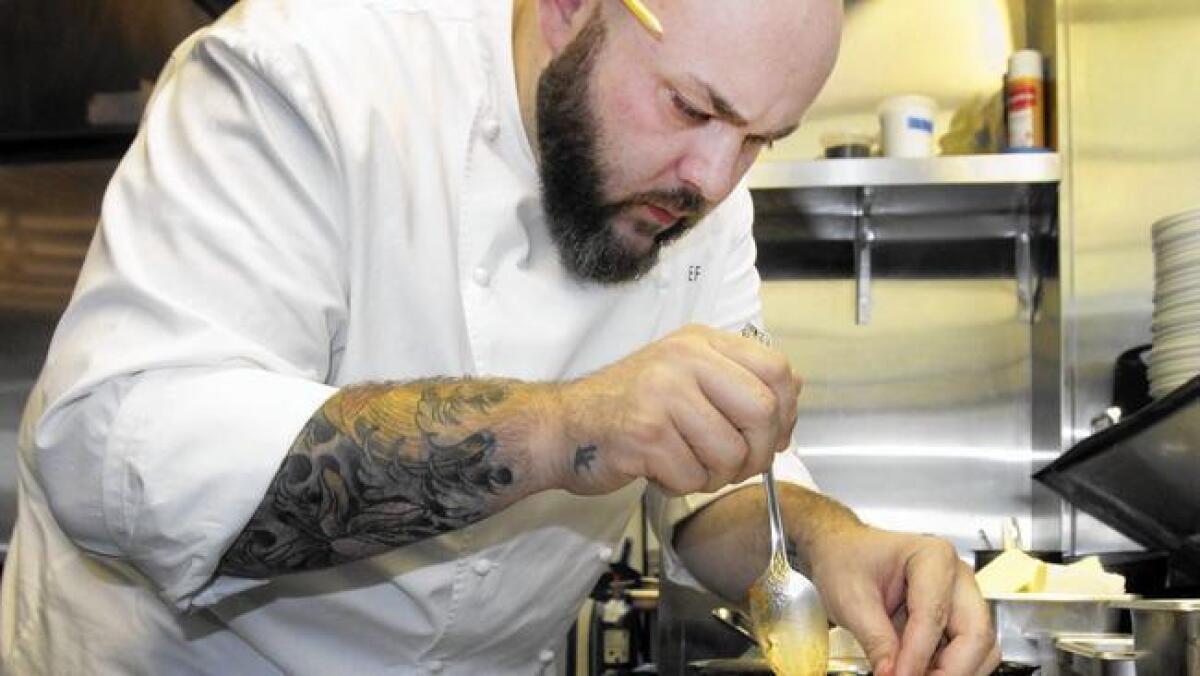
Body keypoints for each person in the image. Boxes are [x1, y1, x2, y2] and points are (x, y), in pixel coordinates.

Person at [0, 0, 1000, 673]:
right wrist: (570, 426)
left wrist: (835, 545)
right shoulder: (307, 71)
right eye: (694, 107)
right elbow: (123, 459)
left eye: (757, 141)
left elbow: (712, 477)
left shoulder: (694, 191)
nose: (714, 180)